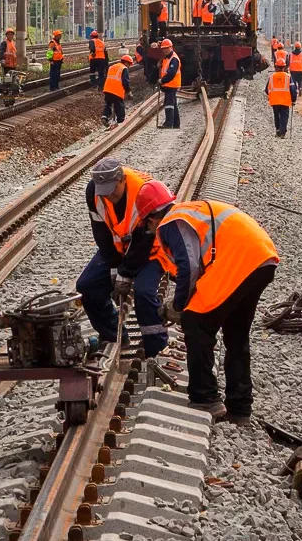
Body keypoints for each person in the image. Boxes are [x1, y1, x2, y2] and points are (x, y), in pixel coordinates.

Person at [139, 183, 280, 422]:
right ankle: (239, 408)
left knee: (196, 321)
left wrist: (179, 306)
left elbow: (190, 266)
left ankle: (205, 398)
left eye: (147, 225)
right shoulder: (190, 212)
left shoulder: (171, 223)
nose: (150, 230)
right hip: (262, 258)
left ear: (152, 217)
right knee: (236, 334)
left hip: (239, 260)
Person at [75, 159, 169, 358]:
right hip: (120, 247)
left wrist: (124, 274)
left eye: (112, 189)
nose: (109, 195)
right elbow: (100, 231)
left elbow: (144, 240)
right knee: (87, 285)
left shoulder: (143, 191)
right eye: (104, 190)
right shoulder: (94, 193)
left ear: (122, 179)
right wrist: (113, 266)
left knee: (144, 294)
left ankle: (157, 348)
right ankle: (113, 335)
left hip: (151, 249)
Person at [266, 56, 298, 138]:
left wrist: (271, 95)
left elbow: (266, 90)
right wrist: (294, 100)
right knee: (284, 116)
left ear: (276, 67)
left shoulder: (271, 77)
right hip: (285, 100)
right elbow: (293, 89)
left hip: (274, 100)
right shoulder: (288, 77)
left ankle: (277, 131)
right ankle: (283, 132)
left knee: (276, 115)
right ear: (284, 67)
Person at [101, 54, 132, 126]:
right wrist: (128, 91)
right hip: (116, 91)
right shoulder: (124, 68)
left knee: (108, 104)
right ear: (126, 62)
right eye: (129, 64)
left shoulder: (112, 67)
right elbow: (125, 81)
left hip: (107, 89)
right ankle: (120, 123)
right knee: (119, 106)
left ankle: (104, 117)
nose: (129, 66)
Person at [159, 38, 181, 129]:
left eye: (167, 48)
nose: (165, 50)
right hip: (169, 84)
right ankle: (176, 124)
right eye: (163, 48)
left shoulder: (174, 59)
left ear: (171, 47)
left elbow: (171, 73)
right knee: (173, 104)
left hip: (171, 84)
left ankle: (169, 123)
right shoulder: (166, 58)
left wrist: (162, 80)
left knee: (169, 104)